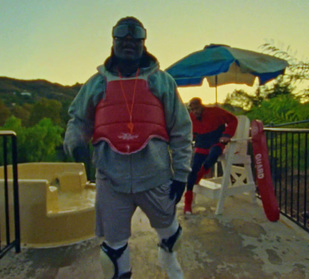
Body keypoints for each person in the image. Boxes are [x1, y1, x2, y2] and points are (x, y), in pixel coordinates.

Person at [63, 16, 192, 279]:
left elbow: (181, 128)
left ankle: (168, 259)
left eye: (137, 36)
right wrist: (75, 145)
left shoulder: (162, 82)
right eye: (122, 35)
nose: (129, 41)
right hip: (111, 178)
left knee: (169, 230)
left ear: (144, 42)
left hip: (155, 175)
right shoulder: (96, 84)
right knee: (113, 248)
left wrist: (181, 174)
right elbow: (78, 121)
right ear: (113, 40)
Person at [184, 97, 238, 214]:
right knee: (193, 169)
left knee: (214, 153)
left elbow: (233, 120)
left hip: (216, 141)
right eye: (192, 109)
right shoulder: (191, 118)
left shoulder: (215, 111)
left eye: (196, 108)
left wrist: (227, 135)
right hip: (201, 143)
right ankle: (187, 203)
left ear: (201, 105)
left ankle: (203, 172)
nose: (195, 111)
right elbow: (190, 132)